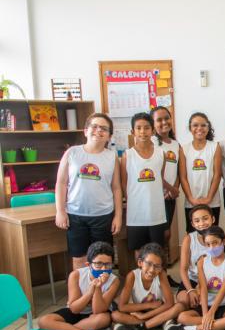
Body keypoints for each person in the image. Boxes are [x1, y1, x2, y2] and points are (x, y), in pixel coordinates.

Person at [54, 113, 122, 270]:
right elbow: (61, 183)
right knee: (79, 260)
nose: (98, 131)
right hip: (76, 216)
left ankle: (103, 293)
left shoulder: (112, 156)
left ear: (109, 136)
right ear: (85, 131)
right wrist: (60, 210)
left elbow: (116, 188)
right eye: (94, 126)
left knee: (103, 260)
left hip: (103, 216)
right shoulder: (72, 152)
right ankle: (83, 293)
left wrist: (118, 216)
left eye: (104, 129)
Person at [37, 241, 119, 330]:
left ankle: (62, 329)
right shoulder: (76, 275)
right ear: (88, 265)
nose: (103, 269)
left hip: (95, 314)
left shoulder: (114, 280)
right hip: (77, 312)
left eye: (108, 265)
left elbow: (98, 310)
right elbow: (74, 309)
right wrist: (90, 292)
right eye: (98, 264)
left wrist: (98, 288)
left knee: (103, 319)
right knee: (43, 321)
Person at [167, 226, 225, 330]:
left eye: (215, 243)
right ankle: (220, 324)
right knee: (182, 317)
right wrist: (206, 313)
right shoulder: (202, 262)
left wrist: (212, 312)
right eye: (208, 244)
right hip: (206, 304)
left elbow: (224, 288)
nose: (211, 247)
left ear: (224, 241)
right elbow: (203, 288)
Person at [112, 243, 183, 330]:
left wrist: (145, 316)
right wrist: (148, 306)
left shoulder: (161, 275)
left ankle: (140, 327)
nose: (152, 270)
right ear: (140, 263)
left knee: (179, 306)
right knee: (115, 315)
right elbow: (122, 306)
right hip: (140, 312)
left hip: (159, 311)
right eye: (149, 264)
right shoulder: (132, 276)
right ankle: (160, 323)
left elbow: (169, 303)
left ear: (161, 268)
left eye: (157, 266)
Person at [121, 112, 167, 254]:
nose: (143, 132)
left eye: (147, 128)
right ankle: (141, 277)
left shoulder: (161, 153)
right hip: (136, 214)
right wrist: (133, 202)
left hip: (156, 212)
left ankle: (159, 277)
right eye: (139, 128)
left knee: (158, 250)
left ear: (153, 130)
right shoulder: (127, 155)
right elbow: (124, 184)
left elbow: (160, 179)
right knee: (139, 251)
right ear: (132, 131)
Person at [179, 112, 222, 231]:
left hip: (212, 202)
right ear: (190, 128)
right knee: (193, 235)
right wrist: (191, 199)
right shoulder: (184, 149)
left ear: (208, 127)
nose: (199, 128)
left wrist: (209, 198)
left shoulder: (215, 147)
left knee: (212, 235)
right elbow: (183, 177)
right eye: (195, 125)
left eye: (203, 125)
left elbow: (217, 175)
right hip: (191, 202)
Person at [151, 106, 181, 249]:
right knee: (158, 234)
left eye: (167, 118)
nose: (164, 122)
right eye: (159, 120)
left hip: (170, 197)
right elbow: (153, 172)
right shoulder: (151, 143)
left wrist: (174, 189)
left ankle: (160, 268)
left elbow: (177, 171)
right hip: (156, 196)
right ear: (153, 124)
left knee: (166, 234)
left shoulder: (175, 144)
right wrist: (170, 189)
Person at [177, 204, 214, 310]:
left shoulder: (218, 237)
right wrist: (191, 290)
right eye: (197, 221)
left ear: (213, 219)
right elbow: (183, 270)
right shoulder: (188, 239)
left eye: (205, 219)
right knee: (184, 300)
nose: (202, 223)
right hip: (192, 280)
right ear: (192, 224)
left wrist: (201, 289)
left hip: (211, 280)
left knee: (206, 300)